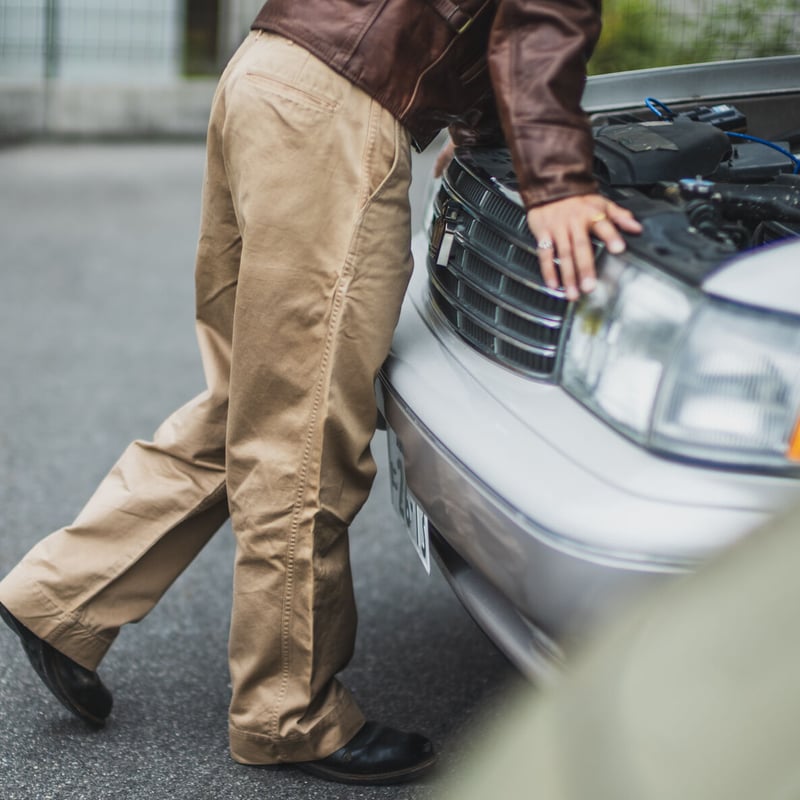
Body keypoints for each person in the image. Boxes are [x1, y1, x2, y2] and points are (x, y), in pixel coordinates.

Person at [0, 0, 641, 787]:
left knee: (258, 398)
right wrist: (558, 181)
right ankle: (287, 715)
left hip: (268, 76)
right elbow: (539, 16)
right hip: (336, 117)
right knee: (302, 432)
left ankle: (60, 595)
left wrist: (478, 133)